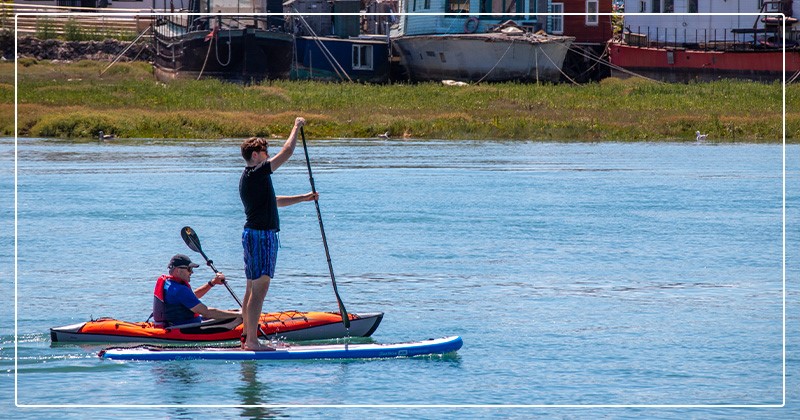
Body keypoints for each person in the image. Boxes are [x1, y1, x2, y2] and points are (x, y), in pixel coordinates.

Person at [239, 117, 318, 350]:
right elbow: (288, 151)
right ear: (255, 155)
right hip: (261, 236)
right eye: (264, 151)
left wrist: (303, 198)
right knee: (259, 290)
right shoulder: (257, 172)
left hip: (253, 234)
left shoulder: (251, 178)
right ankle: (252, 341)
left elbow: (273, 202)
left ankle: (246, 337)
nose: (267, 154)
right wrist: (296, 126)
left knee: (252, 289)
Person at [152, 253, 241, 327]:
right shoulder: (179, 290)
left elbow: (191, 297)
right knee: (237, 317)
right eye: (189, 269)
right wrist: (240, 315)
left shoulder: (169, 284)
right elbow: (206, 312)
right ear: (178, 270)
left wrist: (212, 283)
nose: (192, 272)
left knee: (233, 312)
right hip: (185, 328)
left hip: (178, 324)